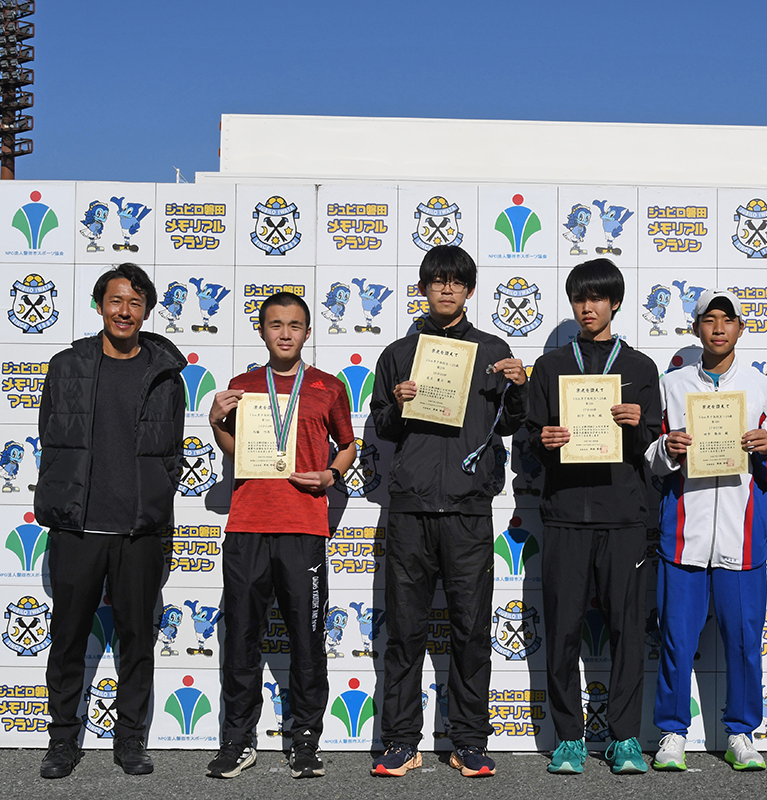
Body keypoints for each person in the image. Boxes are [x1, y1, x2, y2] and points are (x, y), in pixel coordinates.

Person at [369, 245, 528, 778]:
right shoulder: (398, 353)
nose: (446, 289)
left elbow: (510, 424)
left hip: (467, 508)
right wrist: (398, 402)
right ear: (422, 288)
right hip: (411, 509)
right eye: (437, 281)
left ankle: (470, 741)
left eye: (456, 282)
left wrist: (520, 389)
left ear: (469, 290)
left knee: (471, 630)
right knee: (405, 631)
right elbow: (383, 426)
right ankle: (400, 741)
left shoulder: (493, 349)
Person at [36, 263, 186, 778]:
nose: (125, 311)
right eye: (116, 300)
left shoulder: (165, 374)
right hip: (77, 528)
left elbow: (172, 449)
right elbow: (51, 437)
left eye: (135, 302)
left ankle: (130, 741)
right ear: (100, 305)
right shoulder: (67, 366)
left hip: (138, 531)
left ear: (147, 311)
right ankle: (62, 741)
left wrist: (157, 496)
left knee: (137, 642)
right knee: (67, 639)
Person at [205, 292, 357, 780]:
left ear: (308, 332)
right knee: (241, 638)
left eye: (294, 325)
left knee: (307, 640)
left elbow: (349, 445)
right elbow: (234, 448)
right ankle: (237, 740)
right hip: (248, 525)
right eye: (275, 325)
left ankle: (306, 740)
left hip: (303, 527)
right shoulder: (243, 386)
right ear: (262, 331)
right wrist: (215, 423)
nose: (285, 333)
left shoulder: (328, 387)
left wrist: (332, 474)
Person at [526, 258, 661, 775]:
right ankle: (568, 738)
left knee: (628, 631)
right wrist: (544, 440)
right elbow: (530, 439)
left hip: (624, 516)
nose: (588, 307)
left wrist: (639, 425)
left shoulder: (641, 368)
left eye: (598, 298)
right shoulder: (552, 366)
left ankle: (624, 738)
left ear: (615, 303)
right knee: (562, 631)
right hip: (564, 515)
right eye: (580, 298)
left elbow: (656, 449)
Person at [646, 290, 767, 772]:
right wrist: (668, 448)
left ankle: (741, 732)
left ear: (741, 328)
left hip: (741, 538)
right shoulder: (671, 385)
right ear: (696, 328)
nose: (719, 328)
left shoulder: (762, 387)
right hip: (683, 537)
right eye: (710, 319)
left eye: (728, 320)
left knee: (744, 643)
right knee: (676, 642)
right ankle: (671, 732)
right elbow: (652, 458)